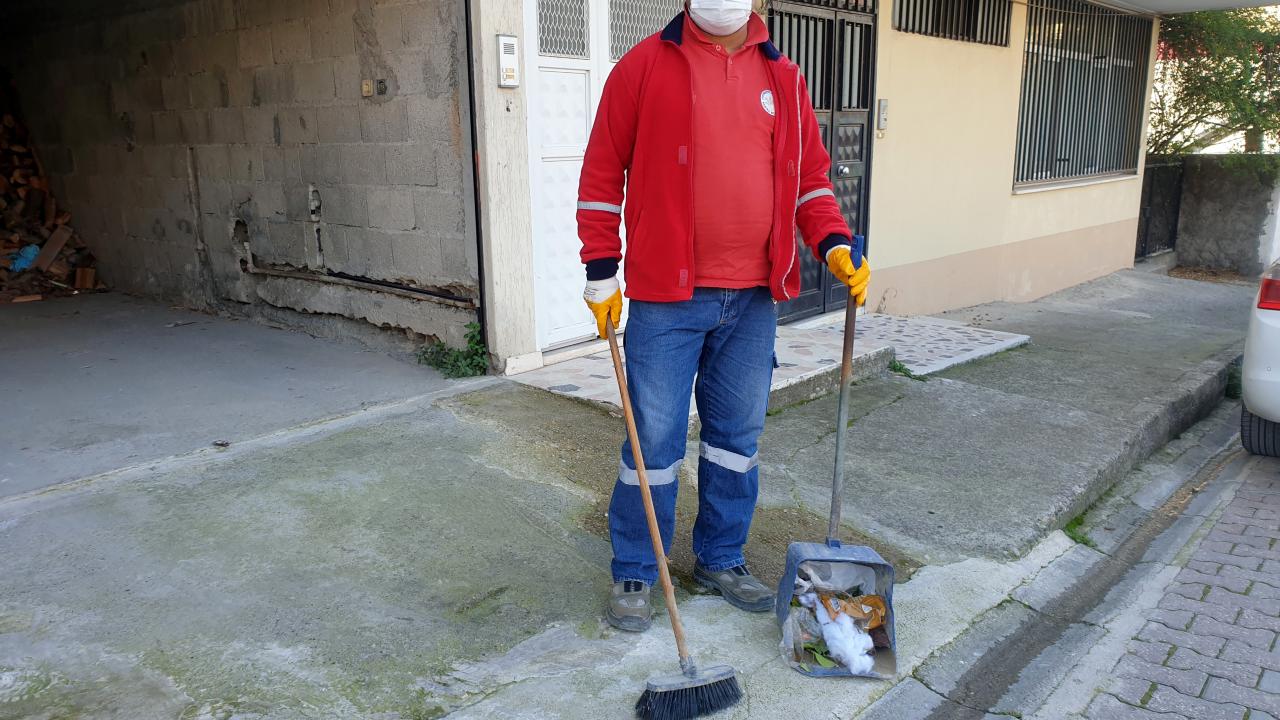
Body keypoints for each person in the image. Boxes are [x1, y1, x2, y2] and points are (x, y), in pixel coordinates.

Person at [576, 0, 871, 632]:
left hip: (754, 300)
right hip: (665, 300)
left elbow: (812, 182)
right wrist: (602, 271)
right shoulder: (643, 68)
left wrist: (835, 243)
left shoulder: (784, 79)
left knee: (736, 440)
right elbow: (602, 173)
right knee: (652, 442)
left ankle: (720, 557)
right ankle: (635, 565)